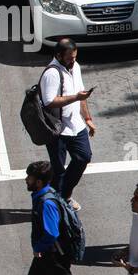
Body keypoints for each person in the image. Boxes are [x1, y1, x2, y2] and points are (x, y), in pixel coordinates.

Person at [39, 40, 96, 210]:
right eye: (70, 58)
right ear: (58, 56)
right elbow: (50, 102)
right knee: (58, 170)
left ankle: (64, 195)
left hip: (76, 125)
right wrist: (76, 98)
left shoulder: (75, 67)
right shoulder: (52, 74)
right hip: (57, 130)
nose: (73, 61)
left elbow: (81, 93)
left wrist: (87, 119)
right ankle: (55, 203)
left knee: (83, 157)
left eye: (75, 57)